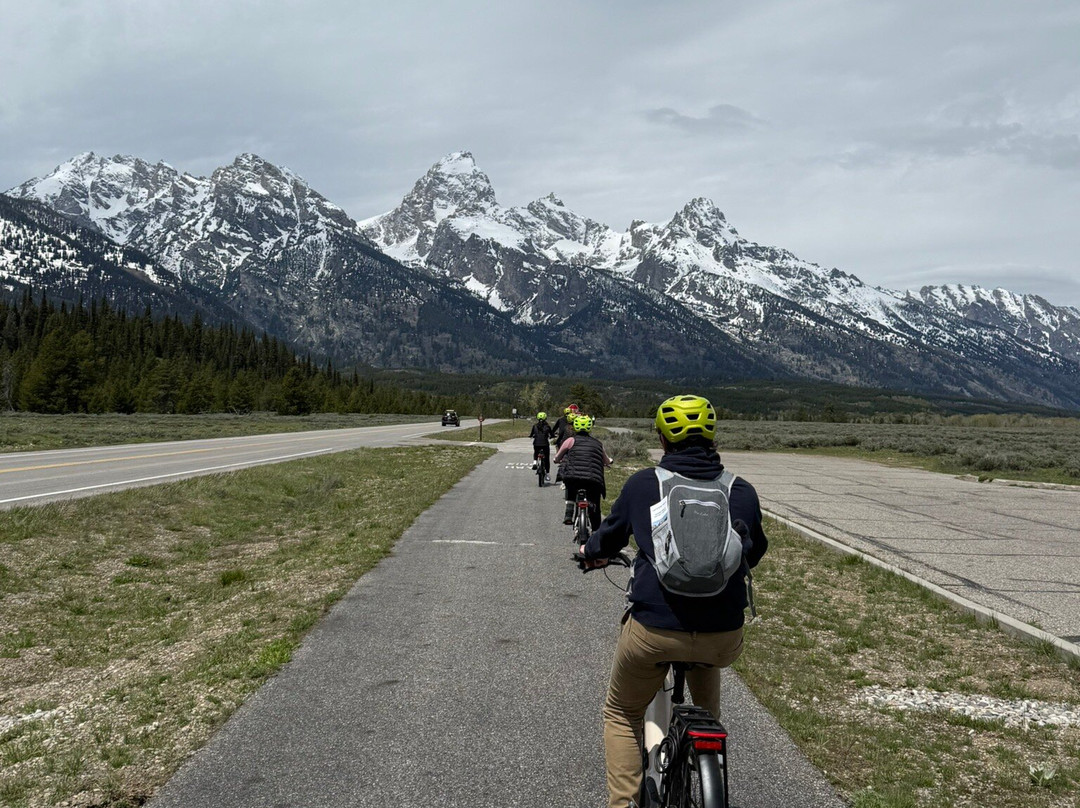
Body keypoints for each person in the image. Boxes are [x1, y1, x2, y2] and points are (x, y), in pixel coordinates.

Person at [579, 394, 768, 808]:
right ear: (712, 437)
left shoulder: (645, 484)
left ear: (662, 440)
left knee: (621, 713)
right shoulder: (742, 492)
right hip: (722, 635)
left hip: (654, 632)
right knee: (705, 656)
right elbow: (753, 553)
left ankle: (623, 804)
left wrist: (589, 552)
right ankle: (707, 745)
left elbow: (607, 537)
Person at [553, 414, 612, 529]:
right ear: (590, 428)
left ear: (575, 427)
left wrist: (557, 460)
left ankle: (569, 514)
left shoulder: (570, 440)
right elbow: (606, 460)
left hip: (574, 478)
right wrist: (609, 461)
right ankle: (595, 531)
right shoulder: (598, 443)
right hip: (593, 479)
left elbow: (558, 457)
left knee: (570, 487)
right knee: (595, 505)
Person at [529, 411, 555, 482]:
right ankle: (547, 474)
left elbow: (531, 434)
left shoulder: (534, 426)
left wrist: (531, 436)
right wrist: (552, 436)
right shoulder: (548, 426)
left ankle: (534, 462)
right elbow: (552, 434)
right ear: (545, 418)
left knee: (536, 452)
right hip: (545, 444)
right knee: (547, 458)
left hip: (536, 443)